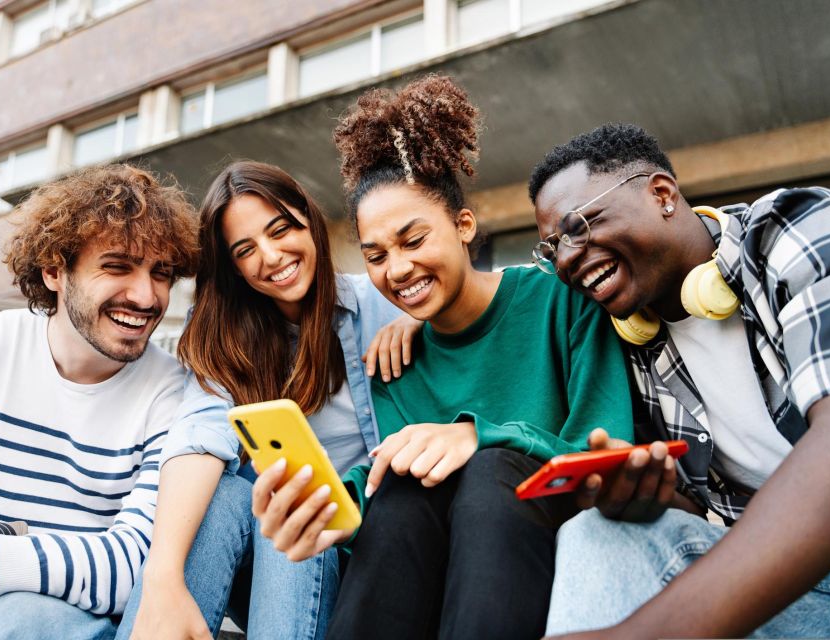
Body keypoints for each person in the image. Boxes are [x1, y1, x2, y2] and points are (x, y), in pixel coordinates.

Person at [251, 75, 635, 640]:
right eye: (376, 255)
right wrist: (332, 509)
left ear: (463, 227)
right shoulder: (394, 362)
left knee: (487, 470)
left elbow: (605, 450)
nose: (397, 270)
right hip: (451, 572)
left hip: (560, 538)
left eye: (413, 241)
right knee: (403, 490)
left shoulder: (561, 297)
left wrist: (481, 438)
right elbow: (401, 499)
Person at [529, 123, 830, 638]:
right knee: (597, 531)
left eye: (579, 226)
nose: (565, 259)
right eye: (552, 248)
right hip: (787, 588)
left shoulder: (796, 227)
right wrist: (646, 497)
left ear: (661, 195)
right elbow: (706, 509)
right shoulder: (632, 337)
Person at [0, 164, 198, 638]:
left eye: (162, 273)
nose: (146, 296)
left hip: (102, 621)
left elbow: (135, 567)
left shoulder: (172, 396)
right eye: (117, 266)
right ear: (54, 270)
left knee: (24, 613)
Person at [117, 161, 418, 640]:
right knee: (241, 491)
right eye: (245, 250)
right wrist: (161, 577)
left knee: (297, 494)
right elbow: (199, 435)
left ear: (307, 218)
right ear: (232, 267)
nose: (272, 256)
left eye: (280, 229)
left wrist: (425, 316)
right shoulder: (228, 336)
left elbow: (492, 290)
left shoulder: (384, 301)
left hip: (371, 553)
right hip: (279, 566)